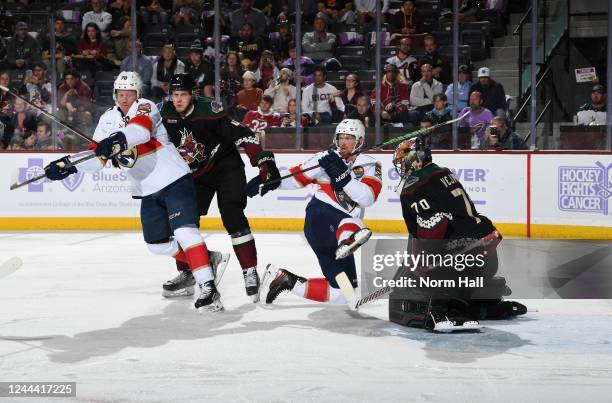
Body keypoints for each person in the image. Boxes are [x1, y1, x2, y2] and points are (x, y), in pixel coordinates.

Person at [43, 72, 225, 312]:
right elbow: (96, 158)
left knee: (184, 231)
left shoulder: (146, 107)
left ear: (137, 94)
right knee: (157, 244)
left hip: (173, 178)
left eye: (130, 93)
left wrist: (117, 141)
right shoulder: (108, 119)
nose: (125, 98)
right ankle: (205, 258)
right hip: (147, 189)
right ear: (115, 94)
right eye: (121, 94)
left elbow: (139, 132)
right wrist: (68, 164)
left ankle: (208, 288)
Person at [159, 73, 281, 302]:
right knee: (182, 223)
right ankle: (190, 270)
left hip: (225, 166)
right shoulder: (164, 113)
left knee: (232, 213)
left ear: (192, 94)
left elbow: (244, 134)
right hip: (195, 174)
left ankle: (249, 270)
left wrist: (265, 162)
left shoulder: (209, 110)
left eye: (183, 94)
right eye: (174, 95)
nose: (178, 100)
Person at [390, 137, 526, 331]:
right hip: (485, 256)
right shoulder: (442, 173)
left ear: (415, 159)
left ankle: (445, 309)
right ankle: (486, 303)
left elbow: (435, 225)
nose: (401, 168)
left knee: (426, 274)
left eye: (403, 161)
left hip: (459, 261)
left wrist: (420, 264)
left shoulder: (414, 186)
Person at [252, 119, 383, 306]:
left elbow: (367, 198)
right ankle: (348, 239)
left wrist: (344, 178)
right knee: (352, 224)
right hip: (320, 218)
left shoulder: (370, 164)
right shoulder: (325, 157)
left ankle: (284, 280)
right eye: (341, 137)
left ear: (360, 141)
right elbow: (297, 178)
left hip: (341, 231)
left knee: (343, 294)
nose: (343, 142)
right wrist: (272, 182)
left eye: (349, 138)